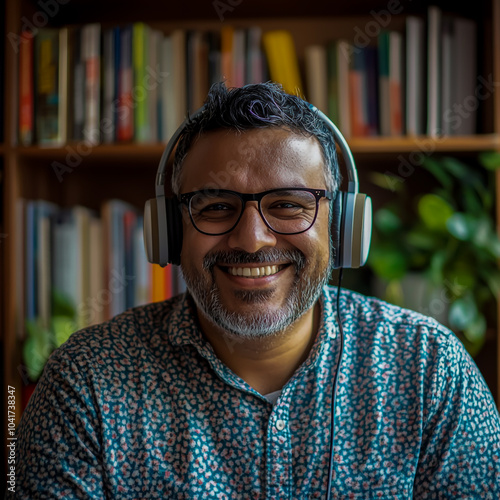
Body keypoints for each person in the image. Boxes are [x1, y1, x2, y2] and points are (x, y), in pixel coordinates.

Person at [10, 82, 500, 499]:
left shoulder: (432, 372)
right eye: (215, 205)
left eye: (289, 204)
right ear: (169, 231)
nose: (251, 239)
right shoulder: (85, 384)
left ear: (343, 228)